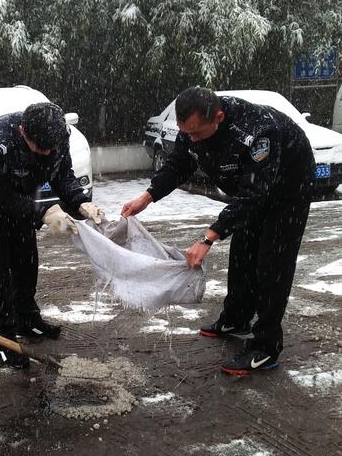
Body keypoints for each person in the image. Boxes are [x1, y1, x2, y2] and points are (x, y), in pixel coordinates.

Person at [122, 87, 315, 375]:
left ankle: (265, 347)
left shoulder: (258, 132)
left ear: (219, 118)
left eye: (197, 133)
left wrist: (208, 237)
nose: (192, 139)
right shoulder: (194, 129)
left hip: (287, 188)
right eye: (186, 133)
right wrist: (147, 197)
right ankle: (236, 319)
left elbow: (253, 194)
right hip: (249, 189)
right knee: (242, 254)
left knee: (271, 264)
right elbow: (178, 165)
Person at [0, 101, 104, 369]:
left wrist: (80, 201)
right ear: (23, 131)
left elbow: (63, 176)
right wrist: (44, 213)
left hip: (21, 193)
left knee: (26, 258)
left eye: (51, 148)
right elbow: (0, 198)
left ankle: (26, 320)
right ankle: (1, 341)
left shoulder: (57, 137)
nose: (47, 153)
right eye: (40, 149)